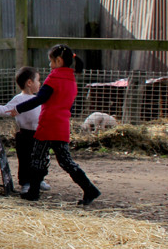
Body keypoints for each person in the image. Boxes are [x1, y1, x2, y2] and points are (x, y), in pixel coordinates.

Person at [8, 44, 101, 205]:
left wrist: (19, 108)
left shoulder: (54, 77)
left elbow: (39, 99)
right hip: (62, 125)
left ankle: (34, 192)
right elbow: (70, 105)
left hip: (48, 124)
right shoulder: (72, 80)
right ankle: (89, 188)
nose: (50, 65)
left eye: (51, 61)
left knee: (37, 158)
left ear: (58, 60)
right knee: (66, 161)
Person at [0, 66, 51, 195]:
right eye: (38, 80)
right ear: (29, 83)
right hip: (25, 134)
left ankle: (39, 179)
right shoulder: (19, 99)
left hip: (40, 134)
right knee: (25, 159)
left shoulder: (39, 99)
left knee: (42, 158)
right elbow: (6, 110)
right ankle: (26, 183)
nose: (40, 83)